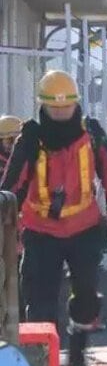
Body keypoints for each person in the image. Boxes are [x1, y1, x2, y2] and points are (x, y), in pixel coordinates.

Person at [1, 70, 107, 366]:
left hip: (83, 227)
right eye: (53, 109)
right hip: (41, 229)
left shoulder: (91, 132)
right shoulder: (31, 136)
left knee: (86, 295)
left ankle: (78, 353)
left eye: (65, 108)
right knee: (40, 298)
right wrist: (6, 209)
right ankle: (42, 364)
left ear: (76, 105)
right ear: (43, 106)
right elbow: (14, 179)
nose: (60, 114)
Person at [0, 115, 25, 323]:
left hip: (22, 239)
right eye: (9, 141)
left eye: (16, 141)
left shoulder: (24, 165)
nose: (13, 146)